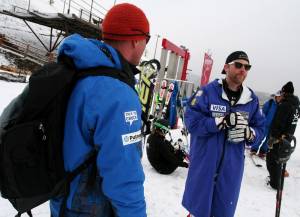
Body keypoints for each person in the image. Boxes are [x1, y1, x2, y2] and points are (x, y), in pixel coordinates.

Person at [50, 3, 150, 217]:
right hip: (90, 209)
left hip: (61, 201)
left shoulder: (77, 69)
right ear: (135, 39)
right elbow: (123, 176)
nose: (145, 46)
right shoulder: (117, 93)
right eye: (147, 39)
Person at [182, 51, 265, 217]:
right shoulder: (207, 92)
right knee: (199, 211)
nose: (243, 69)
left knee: (223, 211)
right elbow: (191, 122)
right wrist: (218, 122)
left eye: (247, 67)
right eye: (238, 65)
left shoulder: (251, 100)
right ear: (226, 67)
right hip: (205, 164)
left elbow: (261, 129)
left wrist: (250, 133)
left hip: (231, 169)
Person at [267, 81, 299, 189]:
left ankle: (275, 184)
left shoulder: (285, 105)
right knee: (280, 160)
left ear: (284, 92)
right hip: (288, 137)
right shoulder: (296, 105)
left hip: (280, 138)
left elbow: (278, 122)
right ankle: (277, 180)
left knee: (272, 160)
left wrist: (273, 137)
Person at [250, 91, 283, 157]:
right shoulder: (270, 103)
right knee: (260, 137)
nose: (280, 98)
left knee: (268, 140)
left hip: (273, 127)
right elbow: (263, 113)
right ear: (276, 96)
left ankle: (263, 151)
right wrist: (261, 122)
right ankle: (254, 149)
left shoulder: (281, 106)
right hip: (265, 125)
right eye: (279, 97)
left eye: (281, 97)